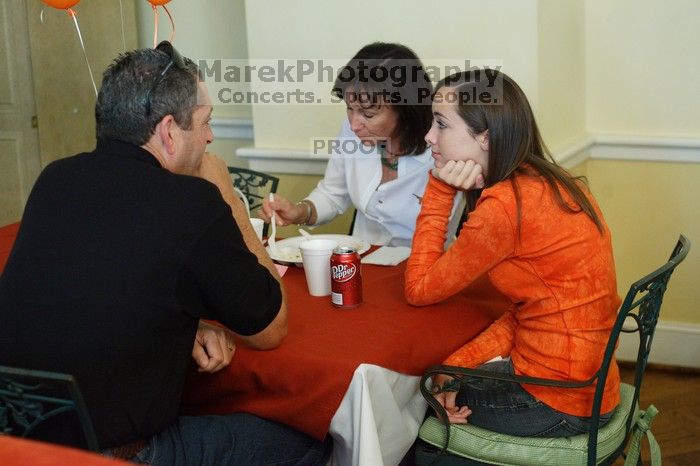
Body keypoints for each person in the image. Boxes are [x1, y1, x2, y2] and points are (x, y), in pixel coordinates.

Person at [0, 42, 327, 465]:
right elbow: (270, 328)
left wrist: (185, 325)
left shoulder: (56, 178)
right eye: (205, 123)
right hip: (117, 455)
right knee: (311, 442)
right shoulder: (191, 202)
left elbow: (96, 281)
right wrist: (224, 192)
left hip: (20, 444)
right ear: (170, 131)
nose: (210, 137)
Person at [405, 69, 621, 438]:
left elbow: (419, 288)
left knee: (415, 400)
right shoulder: (550, 182)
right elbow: (528, 310)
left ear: (485, 137)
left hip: (559, 399)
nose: (429, 137)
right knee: (440, 377)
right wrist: (454, 366)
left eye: (441, 124)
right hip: (593, 383)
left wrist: (440, 189)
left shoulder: (506, 206)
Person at [260, 42, 462, 247]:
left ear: (405, 110)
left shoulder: (445, 148)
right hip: (364, 263)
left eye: (368, 114)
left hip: (425, 267)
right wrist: (300, 212)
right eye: (349, 108)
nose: (354, 124)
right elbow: (332, 194)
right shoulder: (352, 131)